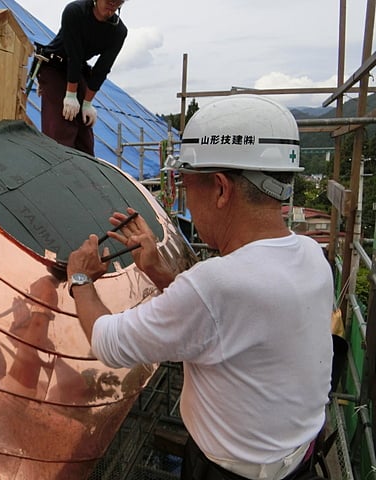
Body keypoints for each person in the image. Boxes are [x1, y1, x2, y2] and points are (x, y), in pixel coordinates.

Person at [66, 95, 334, 480]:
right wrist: (160, 272)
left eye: (187, 185)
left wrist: (80, 278)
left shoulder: (218, 284)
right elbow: (226, 323)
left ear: (222, 189)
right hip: (298, 463)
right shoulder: (309, 255)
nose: (187, 201)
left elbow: (110, 342)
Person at [36, 0, 128, 156]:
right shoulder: (75, 12)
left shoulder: (118, 31)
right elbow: (74, 55)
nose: (113, 3)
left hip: (78, 71)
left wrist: (87, 103)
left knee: (85, 132)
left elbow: (102, 69)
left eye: (119, 1)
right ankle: (61, 172)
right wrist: (70, 95)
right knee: (62, 128)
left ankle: (86, 175)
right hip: (54, 66)